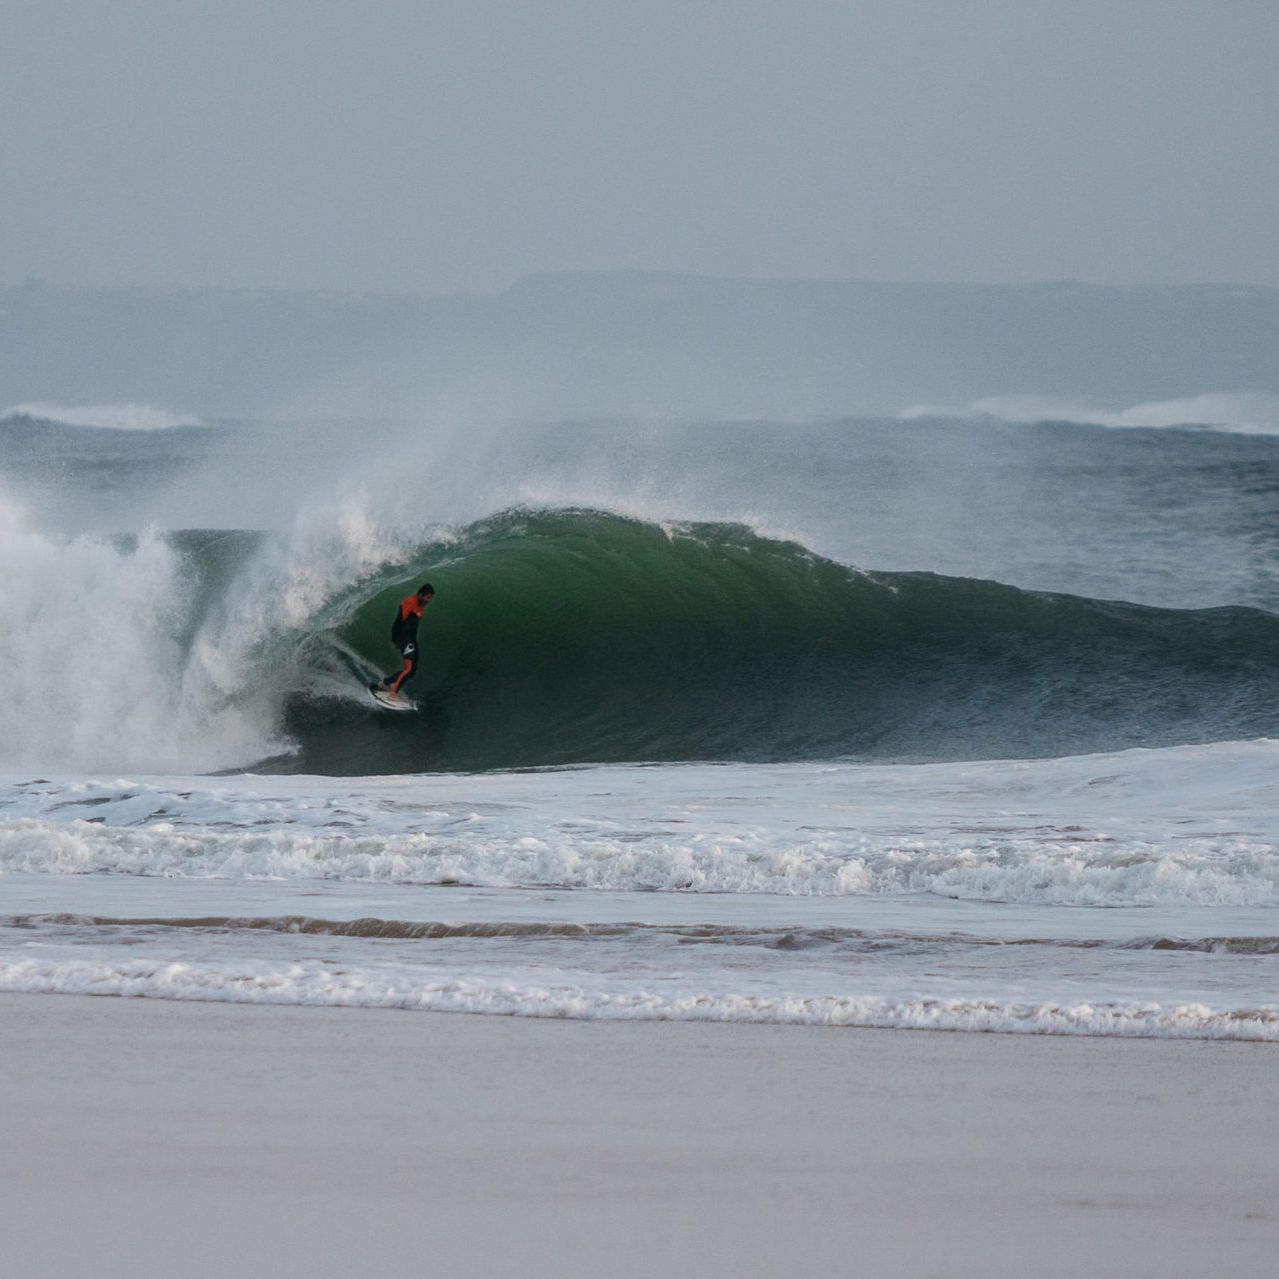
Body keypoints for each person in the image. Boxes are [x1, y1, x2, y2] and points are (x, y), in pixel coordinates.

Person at [372, 583, 434, 699]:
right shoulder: (409, 602)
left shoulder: (420, 604)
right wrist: (394, 639)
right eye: (428, 597)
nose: (429, 600)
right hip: (404, 637)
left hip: (411, 638)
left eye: (431, 598)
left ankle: (384, 683)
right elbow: (398, 622)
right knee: (409, 667)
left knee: (412, 671)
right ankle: (393, 693)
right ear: (420, 594)